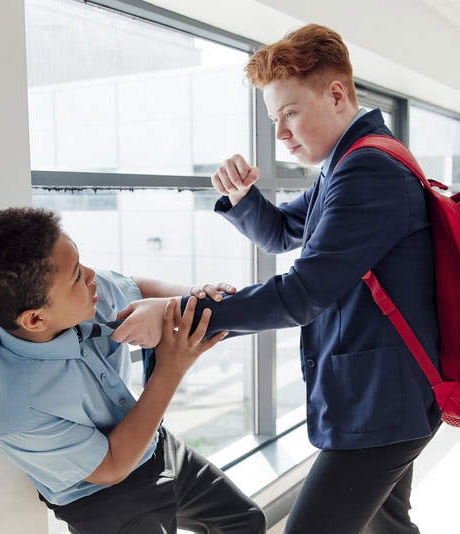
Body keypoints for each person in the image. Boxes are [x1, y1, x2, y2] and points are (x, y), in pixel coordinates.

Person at [112, 24, 440, 534]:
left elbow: (302, 294)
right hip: (387, 395)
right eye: (273, 119)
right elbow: (286, 230)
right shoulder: (350, 161)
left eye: (289, 113)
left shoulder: (367, 168)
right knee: (389, 527)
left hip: (382, 404)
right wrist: (244, 198)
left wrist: (180, 316)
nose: (281, 134)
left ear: (336, 94)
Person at [0, 207, 266, 534]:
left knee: (244, 522)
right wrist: (171, 369)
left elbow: (135, 288)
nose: (92, 275)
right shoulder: (19, 412)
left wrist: (198, 298)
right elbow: (111, 467)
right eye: (76, 274)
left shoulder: (86, 295)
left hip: (154, 444)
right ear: (35, 319)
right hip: (103, 497)